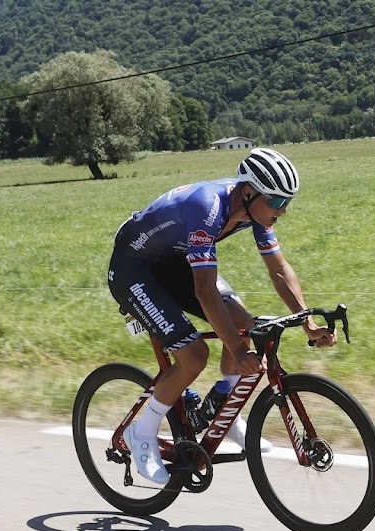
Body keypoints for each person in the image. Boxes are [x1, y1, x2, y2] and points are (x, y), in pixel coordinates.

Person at [108, 147, 336, 485]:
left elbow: (279, 269)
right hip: (135, 268)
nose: (283, 211)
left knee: (247, 326)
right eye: (276, 202)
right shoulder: (207, 207)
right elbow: (203, 289)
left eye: (287, 202)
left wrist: (308, 323)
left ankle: (222, 416)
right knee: (194, 354)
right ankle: (141, 433)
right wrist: (238, 349)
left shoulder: (252, 211)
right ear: (249, 192)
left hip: (174, 261)